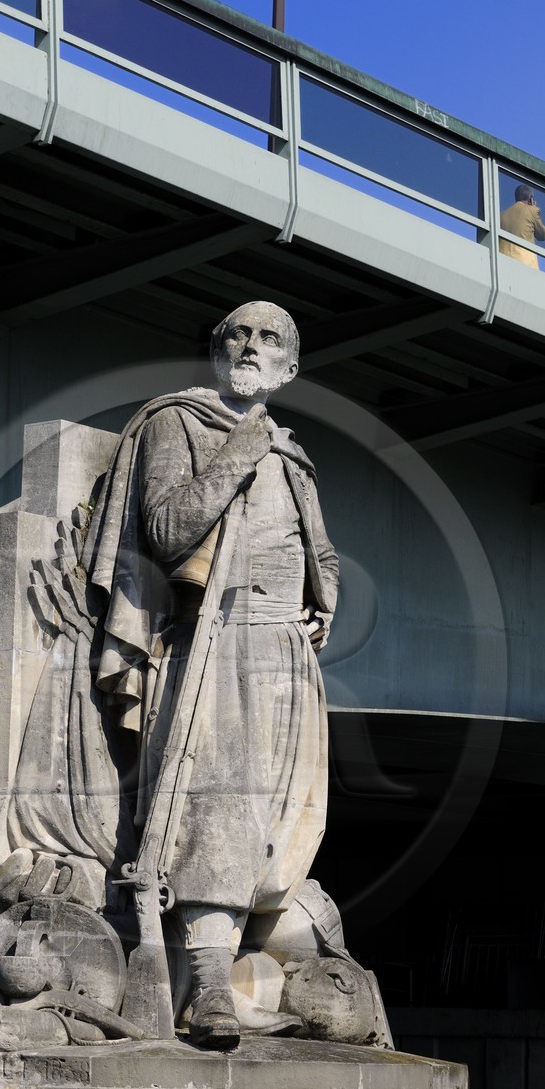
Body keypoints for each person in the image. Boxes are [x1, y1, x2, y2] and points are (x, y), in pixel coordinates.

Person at [81, 301, 339, 1047]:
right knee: (220, 799)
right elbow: (166, 530)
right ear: (217, 350)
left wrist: (327, 600)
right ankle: (211, 984)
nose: (250, 345)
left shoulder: (292, 454)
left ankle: (241, 964)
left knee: (288, 817)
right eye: (237, 333)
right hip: (217, 645)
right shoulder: (179, 421)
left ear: (289, 368)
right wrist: (242, 448)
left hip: (289, 650)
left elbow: (318, 552)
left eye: (270, 339)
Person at [499, 183, 545, 270]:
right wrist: (533, 209)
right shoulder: (532, 210)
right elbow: (543, 235)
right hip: (524, 261)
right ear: (530, 198)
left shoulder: (502, 215)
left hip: (503, 259)